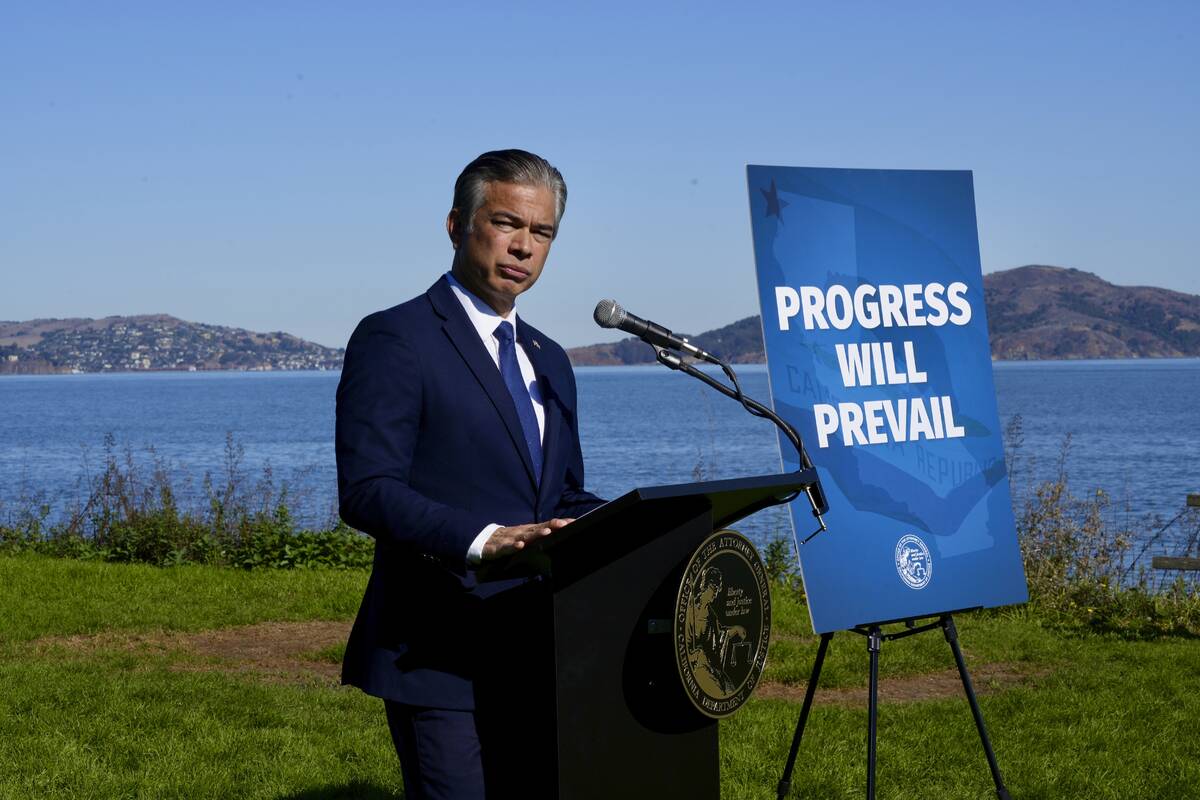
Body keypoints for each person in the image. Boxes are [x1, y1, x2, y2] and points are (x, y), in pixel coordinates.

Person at [334, 149, 605, 798]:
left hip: (535, 650)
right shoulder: (395, 339)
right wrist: (486, 538)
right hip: (435, 648)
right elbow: (368, 491)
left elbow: (560, 492)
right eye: (508, 223)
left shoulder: (550, 359)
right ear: (457, 225)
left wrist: (644, 523)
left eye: (542, 234)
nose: (524, 246)